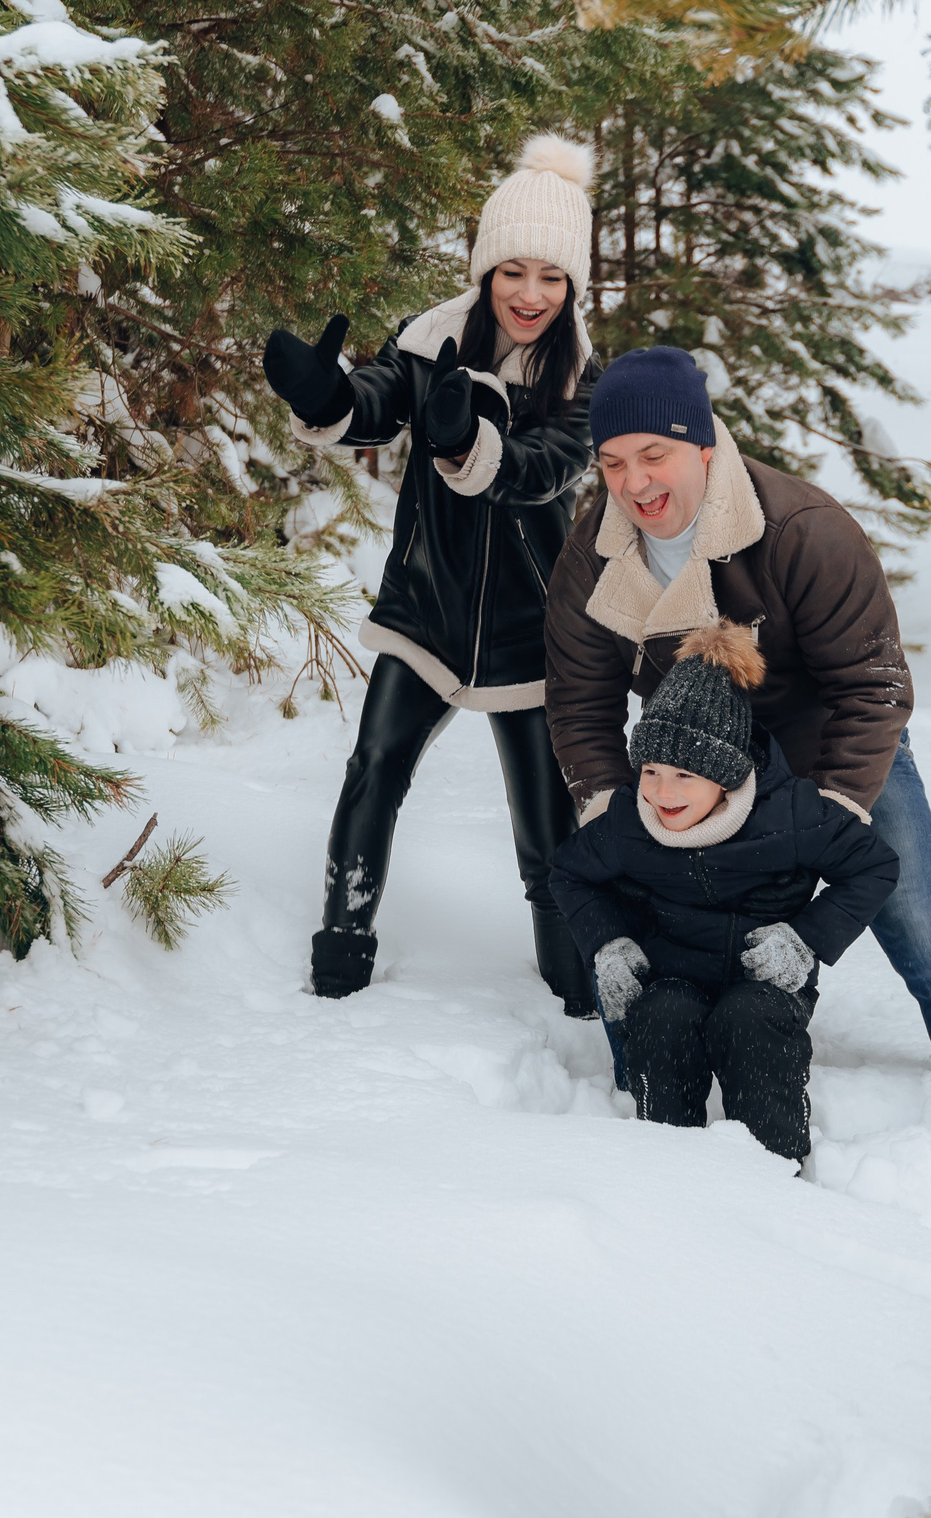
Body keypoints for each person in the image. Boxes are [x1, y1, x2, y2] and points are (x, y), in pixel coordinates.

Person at [543, 347, 931, 1092]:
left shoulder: (802, 529)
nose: (634, 483)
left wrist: (834, 813)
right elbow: (581, 702)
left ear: (703, 446)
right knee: (638, 943)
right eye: (612, 463)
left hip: (830, 755)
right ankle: (649, 1125)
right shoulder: (594, 556)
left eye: (654, 454)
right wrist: (617, 817)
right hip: (691, 776)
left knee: (924, 937)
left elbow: (874, 687)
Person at [262, 136, 604, 1009]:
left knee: (547, 832)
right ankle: (339, 962)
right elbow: (375, 400)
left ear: (573, 287)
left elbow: (543, 469)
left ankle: (572, 994)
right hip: (425, 607)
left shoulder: (577, 376)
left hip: (532, 628)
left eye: (552, 277)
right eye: (512, 271)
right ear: (485, 268)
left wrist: (465, 442)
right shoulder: (430, 339)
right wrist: (326, 398)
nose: (530, 294)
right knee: (374, 769)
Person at [546, 622, 900, 1163]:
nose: (663, 792)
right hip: (674, 971)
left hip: (764, 977)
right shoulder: (629, 822)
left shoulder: (792, 813)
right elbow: (569, 873)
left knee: (751, 1021)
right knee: (661, 1017)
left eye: (685, 775)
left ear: (727, 775)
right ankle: (671, 1159)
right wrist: (607, 943)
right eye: (652, 770)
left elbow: (873, 865)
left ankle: (774, 1165)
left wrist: (805, 939)